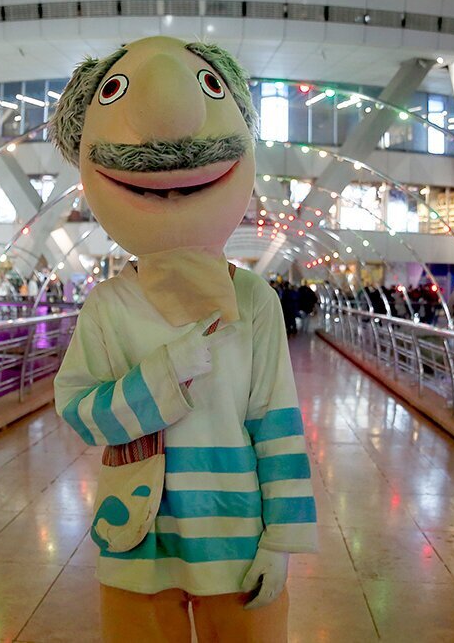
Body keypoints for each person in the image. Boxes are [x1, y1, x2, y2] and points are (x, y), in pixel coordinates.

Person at [50, 37, 315, 640]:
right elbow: (80, 413)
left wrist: (282, 539)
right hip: (137, 532)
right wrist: (164, 377)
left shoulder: (253, 299)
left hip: (236, 532)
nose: (170, 191)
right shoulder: (109, 304)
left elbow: (276, 419)